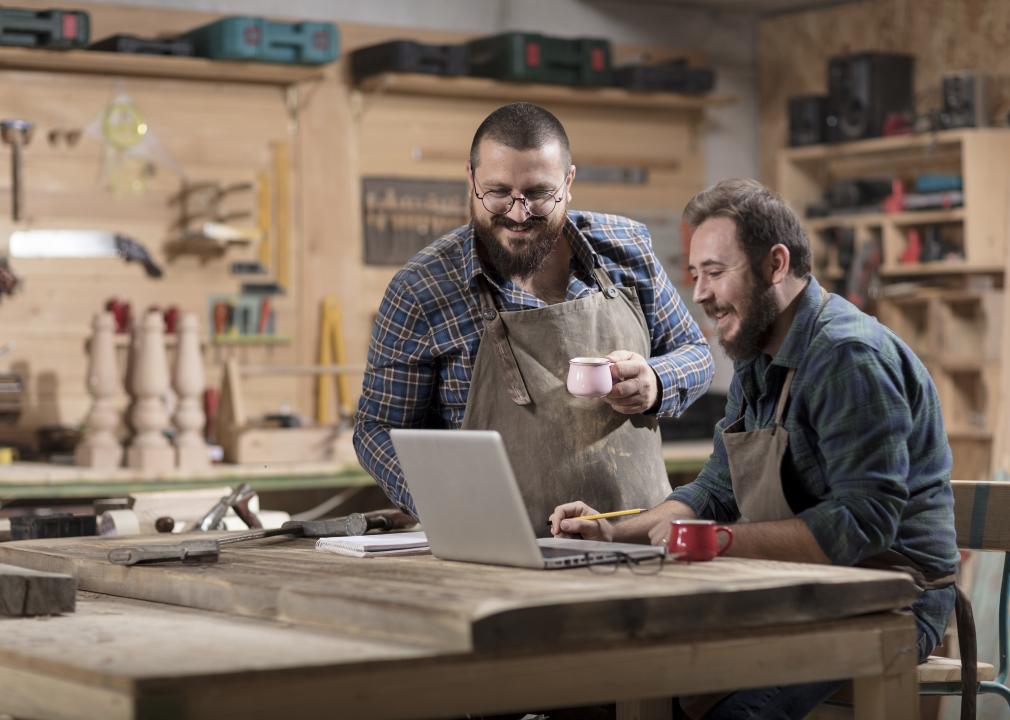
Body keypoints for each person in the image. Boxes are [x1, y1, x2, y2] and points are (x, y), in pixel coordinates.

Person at [551, 178, 962, 719]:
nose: (699, 293)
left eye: (716, 273)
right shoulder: (757, 355)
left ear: (775, 264)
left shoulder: (848, 357)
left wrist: (716, 542)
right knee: (608, 687)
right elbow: (717, 488)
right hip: (805, 586)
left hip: (893, 597)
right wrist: (610, 532)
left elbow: (865, 522)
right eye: (696, 275)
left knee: (731, 714)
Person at [354, 102, 714, 533]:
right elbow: (378, 429)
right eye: (499, 192)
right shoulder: (422, 289)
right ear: (471, 180)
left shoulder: (627, 250)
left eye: (539, 193)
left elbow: (696, 354)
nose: (519, 213)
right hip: (495, 547)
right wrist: (442, 501)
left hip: (635, 538)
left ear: (569, 181)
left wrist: (656, 382)